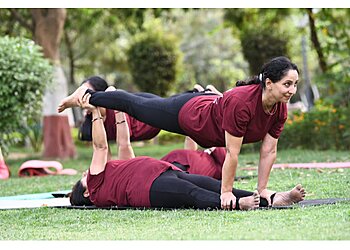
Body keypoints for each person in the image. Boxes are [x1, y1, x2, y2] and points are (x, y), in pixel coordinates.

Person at [60, 56, 306, 209]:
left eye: (295, 85)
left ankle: (272, 198)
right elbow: (232, 153)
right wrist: (227, 192)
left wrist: (262, 189)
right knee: (138, 104)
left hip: (206, 111)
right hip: (190, 116)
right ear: (269, 83)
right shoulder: (243, 103)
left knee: (146, 102)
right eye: (287, 84)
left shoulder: (279, 110)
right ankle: (87, 96)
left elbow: (269, 150)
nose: (291, 90)